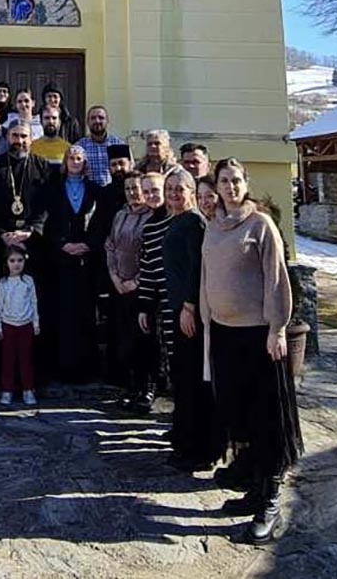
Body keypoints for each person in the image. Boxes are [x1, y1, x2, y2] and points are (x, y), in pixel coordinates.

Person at [202, 158, 304, 545]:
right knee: (239, 413)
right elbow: (207, 280)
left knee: (267, 417)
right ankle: (255, 488)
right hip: (226, 336)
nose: (230, 187)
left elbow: (277, 280)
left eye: (236, 181)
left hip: (260, 336)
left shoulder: (261, 226)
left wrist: (278, 328)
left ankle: (272, 500)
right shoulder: (213, 227)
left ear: (246, 184)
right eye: (224, 181)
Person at [156, 169, 220, 470]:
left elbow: (196, 269)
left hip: (189, 314)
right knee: (183, 378)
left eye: (179, 188)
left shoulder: (194, 222)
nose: (173, 194)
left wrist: (189, 307)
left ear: (191, 191)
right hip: (177, 309)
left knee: (194, 380)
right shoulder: (176, 220)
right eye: (169, 188)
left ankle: (198, 448)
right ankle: (184, 437)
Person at [39, 145, 104, 382]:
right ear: (65, 162)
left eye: (79, 158)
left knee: (86, 313)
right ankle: (61, 366)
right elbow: (46, 220)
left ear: (85, 163)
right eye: (71, 158)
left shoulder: (96, 191)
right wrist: (62, 244)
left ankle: (85, 369)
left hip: (87, 261)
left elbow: (101, 222)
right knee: (62, 313)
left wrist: (88, 244)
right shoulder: (53, 189)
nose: (75, 161)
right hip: (61, 260)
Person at [104, 171, 153, 411]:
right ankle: (130, 387)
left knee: (143, 341)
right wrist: (114, 276)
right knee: (124, 341)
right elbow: (110, 245)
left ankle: (147, 388)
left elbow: (152, 254)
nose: (133, 193)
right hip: (119, 286)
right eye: (128, 189)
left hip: (140, 287)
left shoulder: (151, 217)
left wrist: (136, 280)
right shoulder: (120, 214)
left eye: (136, 188)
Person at [0, 122, 51, 259]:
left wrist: (30, 230)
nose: (19, 141)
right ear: (7, 137)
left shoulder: (43, 167)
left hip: (34, 238)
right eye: (15, 136)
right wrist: (1, 233)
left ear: (31, 139)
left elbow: (48, 204)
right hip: (1, 238)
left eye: (24, 136)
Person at [129, 172, 168, 413]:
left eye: (155, 190)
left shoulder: (177, 220)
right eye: (147, 192)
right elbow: (147, 266)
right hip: (155, 298)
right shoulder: (150, 225)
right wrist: (144, 305)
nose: (151, 196)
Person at [0, 245, 39, 407]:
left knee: (26, 359)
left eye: (20, 260)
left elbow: (34, 302)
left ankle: (28, 389)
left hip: (25, 325)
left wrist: (35, 322)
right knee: (8, 360)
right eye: (12, 260)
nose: (16, 264)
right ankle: (7, 390)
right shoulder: (3, 283)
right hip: (8, 325)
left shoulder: (28, 281)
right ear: (6, 262)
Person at [75, 106, 116, 187]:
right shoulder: (79, 147)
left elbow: (128, 170)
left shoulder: (118, 144)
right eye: (93, 118)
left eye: (101, 118)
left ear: (107, 121)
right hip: (88, 193)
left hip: (112, 193)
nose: (97, 121)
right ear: (87, 122)